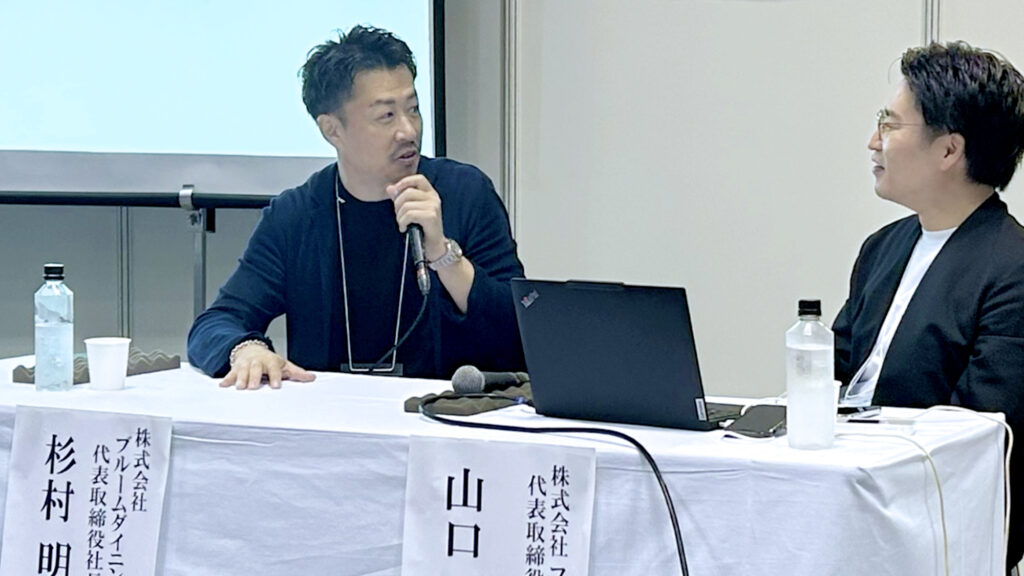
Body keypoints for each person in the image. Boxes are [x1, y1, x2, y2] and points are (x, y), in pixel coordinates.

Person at [187, 25, 526, 388]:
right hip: (329, 416)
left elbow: (522, 332)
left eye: (413, 109)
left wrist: (444, 256)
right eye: (386, 116)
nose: (409, 130)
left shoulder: (465, 194)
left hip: (443, 414)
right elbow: (215, 323)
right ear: (332, 130)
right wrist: (246, 350)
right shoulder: (296, 216)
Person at [833, 41, 1024, 572]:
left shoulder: (1013, 267)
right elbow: (835, 370)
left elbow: (977, 433)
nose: (874, 142)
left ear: (948, 151)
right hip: (847, 492)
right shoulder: (882, 248)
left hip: (934, 525)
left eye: (890, 125)